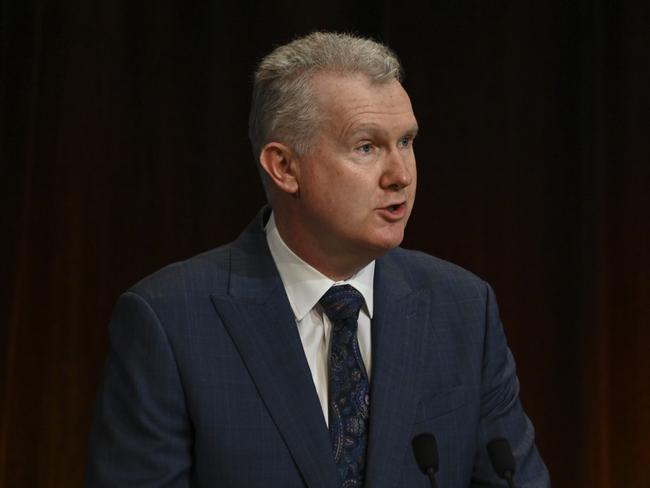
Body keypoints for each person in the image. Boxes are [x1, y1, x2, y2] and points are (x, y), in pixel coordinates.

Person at [86, 31, 550, 487]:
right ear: (284, 167)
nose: (400, 175)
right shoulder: (169, 320)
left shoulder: (464, 309)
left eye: (406, 142)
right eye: (367, 146)